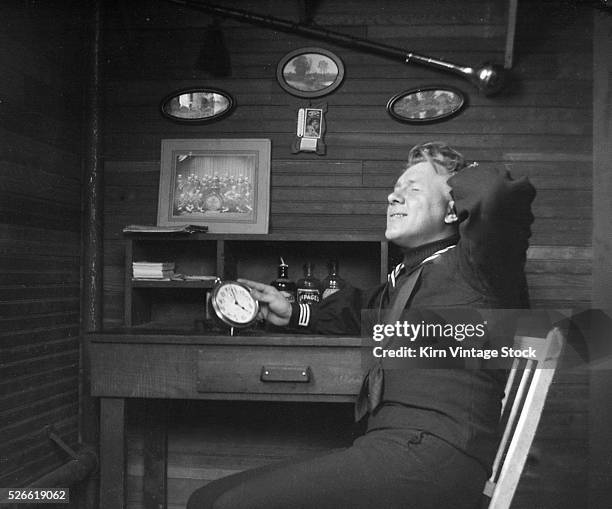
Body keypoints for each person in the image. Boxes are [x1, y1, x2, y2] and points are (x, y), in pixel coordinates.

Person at [187, 142, 536, 509]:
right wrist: (291, 312)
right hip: (391, 446)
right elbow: (363, 310)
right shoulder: (411, 275)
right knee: (205, 499)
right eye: (395, 189)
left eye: (412, 190)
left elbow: (496, 193)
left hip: (435, 457)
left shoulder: (479, 264)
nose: (392, 197)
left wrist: (454, 172)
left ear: (453, 209)